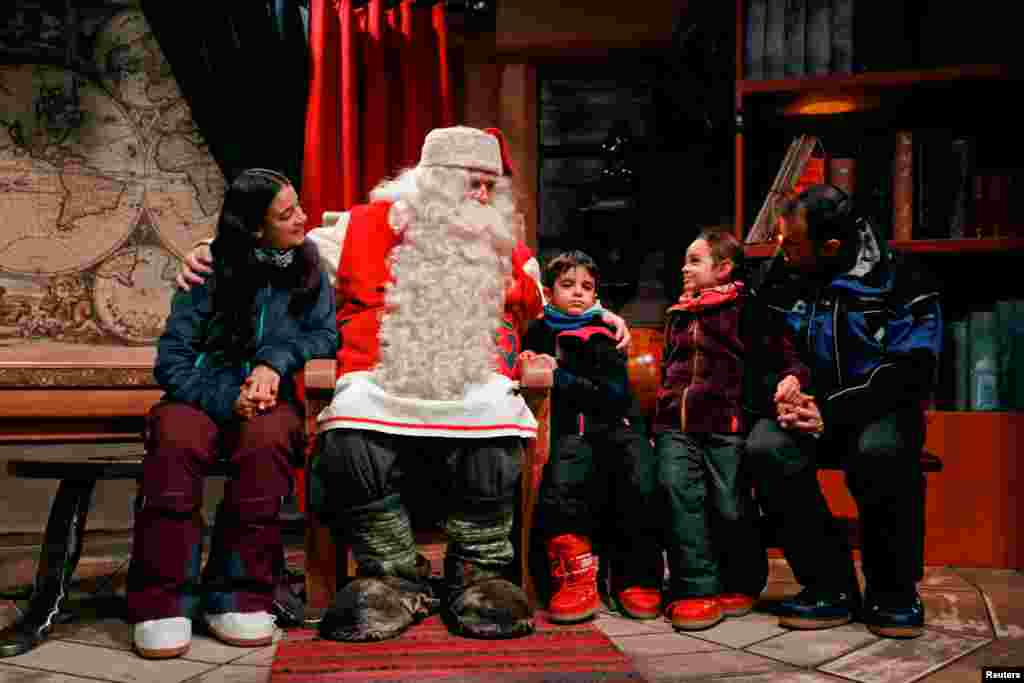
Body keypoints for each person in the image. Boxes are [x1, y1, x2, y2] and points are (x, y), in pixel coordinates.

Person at [128, 168, 338, 659]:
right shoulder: (207, 268)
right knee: (174, 439)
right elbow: (172, 361)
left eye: (299, 206)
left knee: (267, 443)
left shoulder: (309, 265)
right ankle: (162, 603)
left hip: (267, 398)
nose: (302, 218)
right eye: (286, 214)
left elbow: (325, 334)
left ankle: (238, 594)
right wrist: (228, 399)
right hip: (200, 394)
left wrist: (274, 361)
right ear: (254, 227)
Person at [746, 183, 942, 638]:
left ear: (830, 246)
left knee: (879, 452)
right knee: (764, 446)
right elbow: (759, 348)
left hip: (880, 411)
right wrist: (783, 387)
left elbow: (911, 372)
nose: (781, 251)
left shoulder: (902, 277)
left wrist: (829, 414)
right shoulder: (781, 273)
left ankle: (893, 591)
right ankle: (828, 585)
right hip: (808, 410)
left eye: (792, 243)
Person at [653, 229, 810, 631]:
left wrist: (792, 377)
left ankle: (741, 579)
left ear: (723, 269)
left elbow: (784, 353)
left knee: (729, 501)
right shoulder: (679, 312)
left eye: (694, 260)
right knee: (678, 493)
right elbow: (670, 369)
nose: (684, 267)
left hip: (726, 424)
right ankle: (696, 587)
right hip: (675, 424)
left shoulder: (746, 309)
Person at [521, 250, 661, 625]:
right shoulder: (538, 330)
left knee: (640, 473)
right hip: (568, 429)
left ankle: (636, 576)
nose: (578, 294)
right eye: (568, 286)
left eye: (587, 287)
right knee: (566, 470)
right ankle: (576, 576)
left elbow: (612, 394)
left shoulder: (605, 331)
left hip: (616, 425)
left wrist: (561, 377)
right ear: (549, 292)